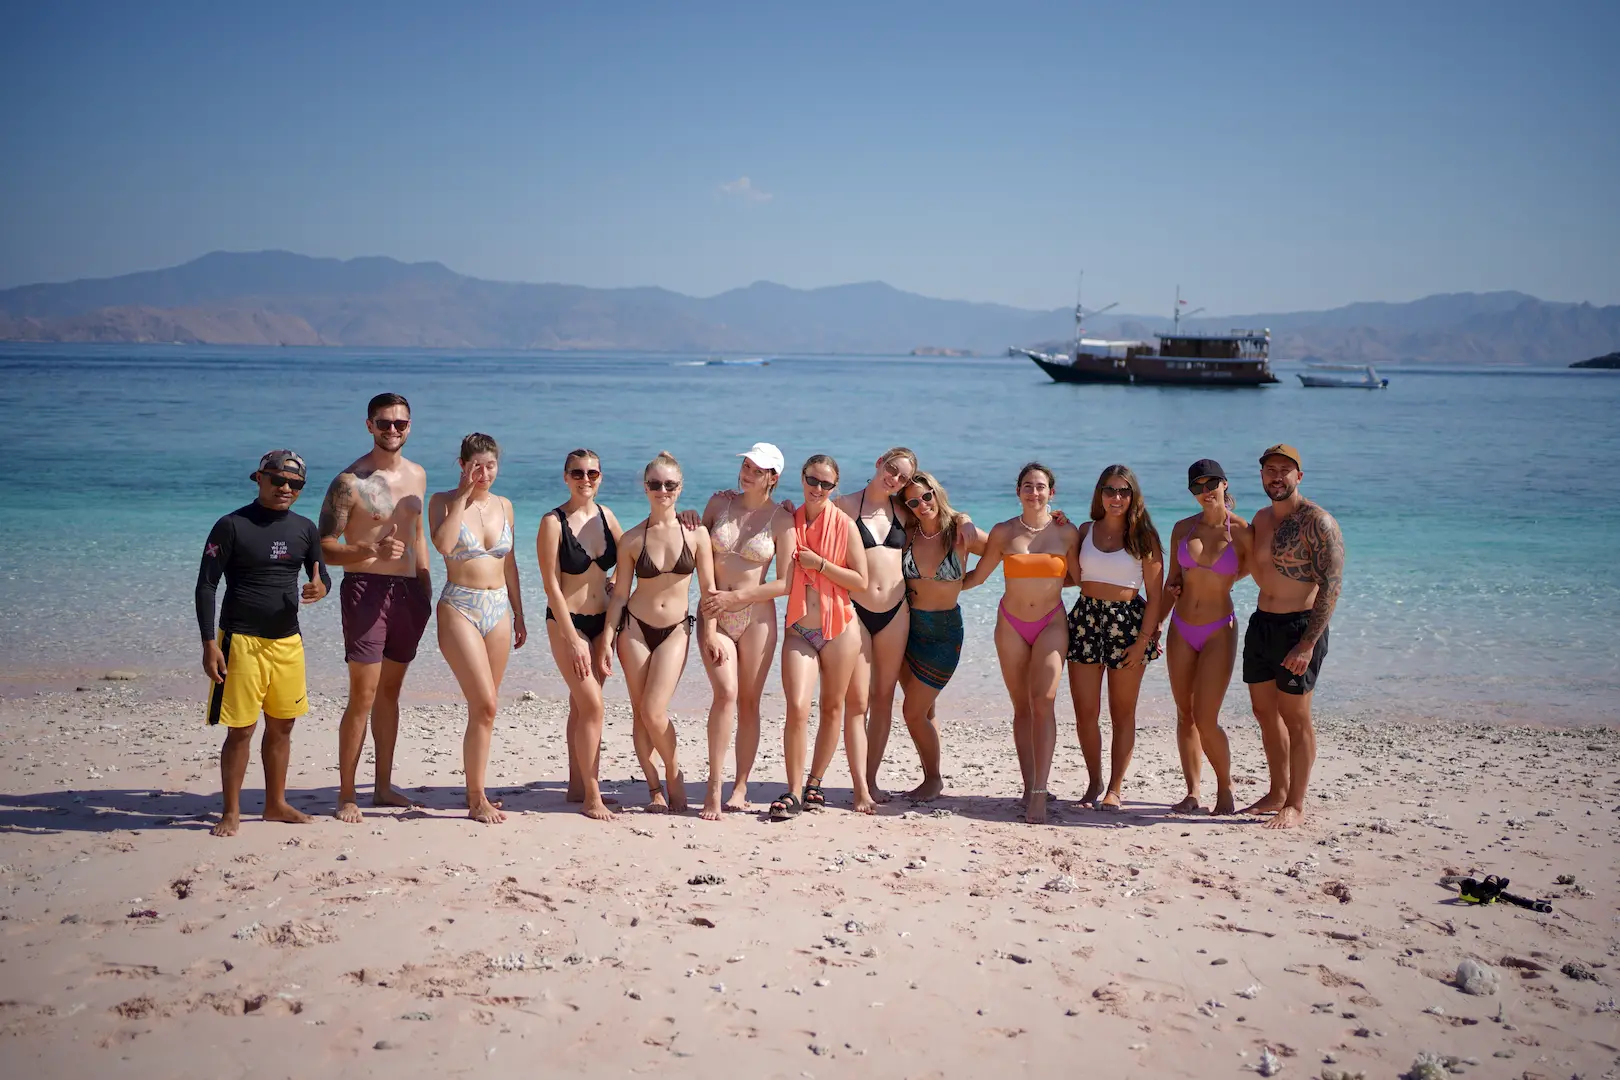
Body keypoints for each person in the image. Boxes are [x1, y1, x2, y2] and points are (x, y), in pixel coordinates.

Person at [195, 450, 330, 838]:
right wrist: (209, 642)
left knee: (283, 726)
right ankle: (231, 811)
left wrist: (320, 587)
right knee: (240, 729)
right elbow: (206, 585)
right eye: (278, 480)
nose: (285, 488)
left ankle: (275, 804)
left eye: (295, 484)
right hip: (240, 641)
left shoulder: (304, 529)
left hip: (288, 642)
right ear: (259, 478)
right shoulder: (231, 525)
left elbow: (321, 577)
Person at [317, 392, 432, 825]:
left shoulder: (418, 474)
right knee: (362, 695)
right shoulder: (350, 481)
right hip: (365, 588)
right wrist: (370, 548)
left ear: (410, 426)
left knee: (390, 693)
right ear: (368, 425)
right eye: (384, 423)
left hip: (409, 594)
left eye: (400, 424)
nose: (392, 431)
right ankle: (347, 794)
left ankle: (382, 786)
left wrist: (424, 586)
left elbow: (418, 534)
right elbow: (326, 548)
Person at [961, 462, 1081, 824]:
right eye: (1027, 486)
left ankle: (1040, 793)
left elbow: (1078, 578)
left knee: (1043, 701)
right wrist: (934, 587)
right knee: (1022, 708)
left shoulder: (1067, 532)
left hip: (1051, 623)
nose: (1034, 492)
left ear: (1051, 493)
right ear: (1018, 492)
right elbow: (977, 579)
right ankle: (1029, 785)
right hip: (1011, 625)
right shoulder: (1003, 532)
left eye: (1041, 486)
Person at [605, 451, 722, 814]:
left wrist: (712, 634)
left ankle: (674, 772)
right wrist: (607, 640)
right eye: (655, 484)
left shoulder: (697, 534)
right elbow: (621, 595)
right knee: (641, 712)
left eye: (669, 485)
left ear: (680, 487)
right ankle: (654, 787)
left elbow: (709, 591)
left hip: (675, 630)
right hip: (635, 629)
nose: (662, 491)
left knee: (655, 711)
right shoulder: (632, 539)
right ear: (645, 488)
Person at [428, 433, 527, 825]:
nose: (483, 473)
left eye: (490, 466)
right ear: (462, 465)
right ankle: (475, 798)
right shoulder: (441, 502)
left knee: (485, 710)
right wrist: (462, 497)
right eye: (475, 466)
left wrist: (519, 613)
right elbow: (443, 544)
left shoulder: (506, 506)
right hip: (460, 606)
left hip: (498, 607)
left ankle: (478, 790)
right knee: (485, 702)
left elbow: (511, 563)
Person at [1243, 444, 1343, 830]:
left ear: (1299, 476)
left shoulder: (1318, 522)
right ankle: (1276, 791)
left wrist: (1307, 644)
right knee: (1264, 712)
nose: (1276, 476)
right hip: (1261, 623)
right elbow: (1242, 560)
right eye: (1270, 469)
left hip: (1299, 627)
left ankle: (1295, 803)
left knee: (1296, 717)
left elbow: (1332, 586)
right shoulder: (1261, 518)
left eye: (1285, 470)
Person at [692, 442, 789, 818]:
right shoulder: (719, 505)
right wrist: (685, 515)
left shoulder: (782, 518)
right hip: (714, 613)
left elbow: (785, 583)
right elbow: (695, 551)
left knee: (749, 702)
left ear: (772, 478)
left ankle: (741, 785)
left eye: (757, 468)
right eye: (746, 465)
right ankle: (713, 787)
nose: (747, 472)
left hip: (757, 619)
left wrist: (739, 599)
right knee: (726, 694)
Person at [1064, 465, 1166, 812]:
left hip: (1128, 625)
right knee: (1085, 713)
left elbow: (1157, 595)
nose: (1116, 497)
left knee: (1122, 713)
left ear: (1133, 495)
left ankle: (1115, 787)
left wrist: (1143, 641)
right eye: (1110, 490)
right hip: (1086, 619)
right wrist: (1060, 532)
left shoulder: (1144, 537)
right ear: (1100, 494)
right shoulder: (1084, 530)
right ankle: (1093, 780)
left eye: (1124, 491)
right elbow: (1075, 577)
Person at [536, 448, 625, 822]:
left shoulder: (607, 516)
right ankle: (592, 794)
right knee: (593, 706)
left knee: (580, 705)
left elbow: (634, 553)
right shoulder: (552, 522)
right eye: (577, 473)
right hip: (565, 623)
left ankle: (576, 785)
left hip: (602, 623)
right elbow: (551, 586)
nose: (585, 479)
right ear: (566, 476)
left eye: (592, 473)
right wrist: (572, 639)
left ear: (600, 477)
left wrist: (618, 584)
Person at [1163, 459, 1252, 816]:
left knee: (1206, 716)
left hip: (1219, 629)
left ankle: (1225, 786)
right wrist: (1154, 626)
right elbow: (1173, 580)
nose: (1205, 491)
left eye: (1211, 483)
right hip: (1181, 628)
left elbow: (1260, 570)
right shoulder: (1182, 529)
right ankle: (1193, 791)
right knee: (1185, 713)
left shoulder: (1243, 531)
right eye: (1197, 486)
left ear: (1224, 484)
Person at [894, 471, 987, 801]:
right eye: (913, 502)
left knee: (912, 712)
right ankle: (927, 775)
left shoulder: (960, 532)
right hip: (907, 629)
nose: (922, 505)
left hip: (945, 632)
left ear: (936, 492)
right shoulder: (907, 533)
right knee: (925, 711)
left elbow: (1001, 549)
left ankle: (934, 779)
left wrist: (970, 581)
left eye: (927, 496)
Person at [834, 448, 919, 803]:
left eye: (902, 477)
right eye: (891, 469)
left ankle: (870, 781)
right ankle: (858, 787)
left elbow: (942, 520)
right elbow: (803, 520)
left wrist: (961, 521)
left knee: (883, 698)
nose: (894, 479)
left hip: (896, 611)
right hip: (856, 610)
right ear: (878, 463)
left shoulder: (905, 513)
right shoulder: (842, 506)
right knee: (857, 701)